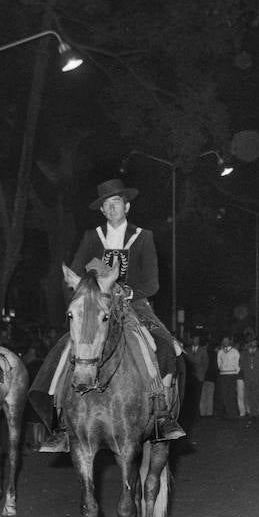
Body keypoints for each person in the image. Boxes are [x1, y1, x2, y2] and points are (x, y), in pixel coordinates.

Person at [30, 178, 187, 451]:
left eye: (116, 203)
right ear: (102, 211)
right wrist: (89, 295)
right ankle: (60, 422)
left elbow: (152, 283)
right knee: (63, 350)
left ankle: (162, 413)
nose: (112, 208)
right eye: (107, 205)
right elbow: (78, 274)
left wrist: (126, 293)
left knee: (164, 346)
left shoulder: (143, 236)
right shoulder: (93, 238)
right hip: (98, 306)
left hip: (134, 304)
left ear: (126, 206)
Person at [216, 336, 241, 418]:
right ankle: (227, 412)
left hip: (232, 374)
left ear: (230, 341)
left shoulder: (234, 351)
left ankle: (233, 413)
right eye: (224, 340)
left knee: (232, 394)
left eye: (227, 340)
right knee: (224, 394)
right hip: (223, 374)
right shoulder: (220, 352)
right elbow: (219, 363)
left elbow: (238, 363)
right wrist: (223, 369)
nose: (225, 342)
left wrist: (235, 371)